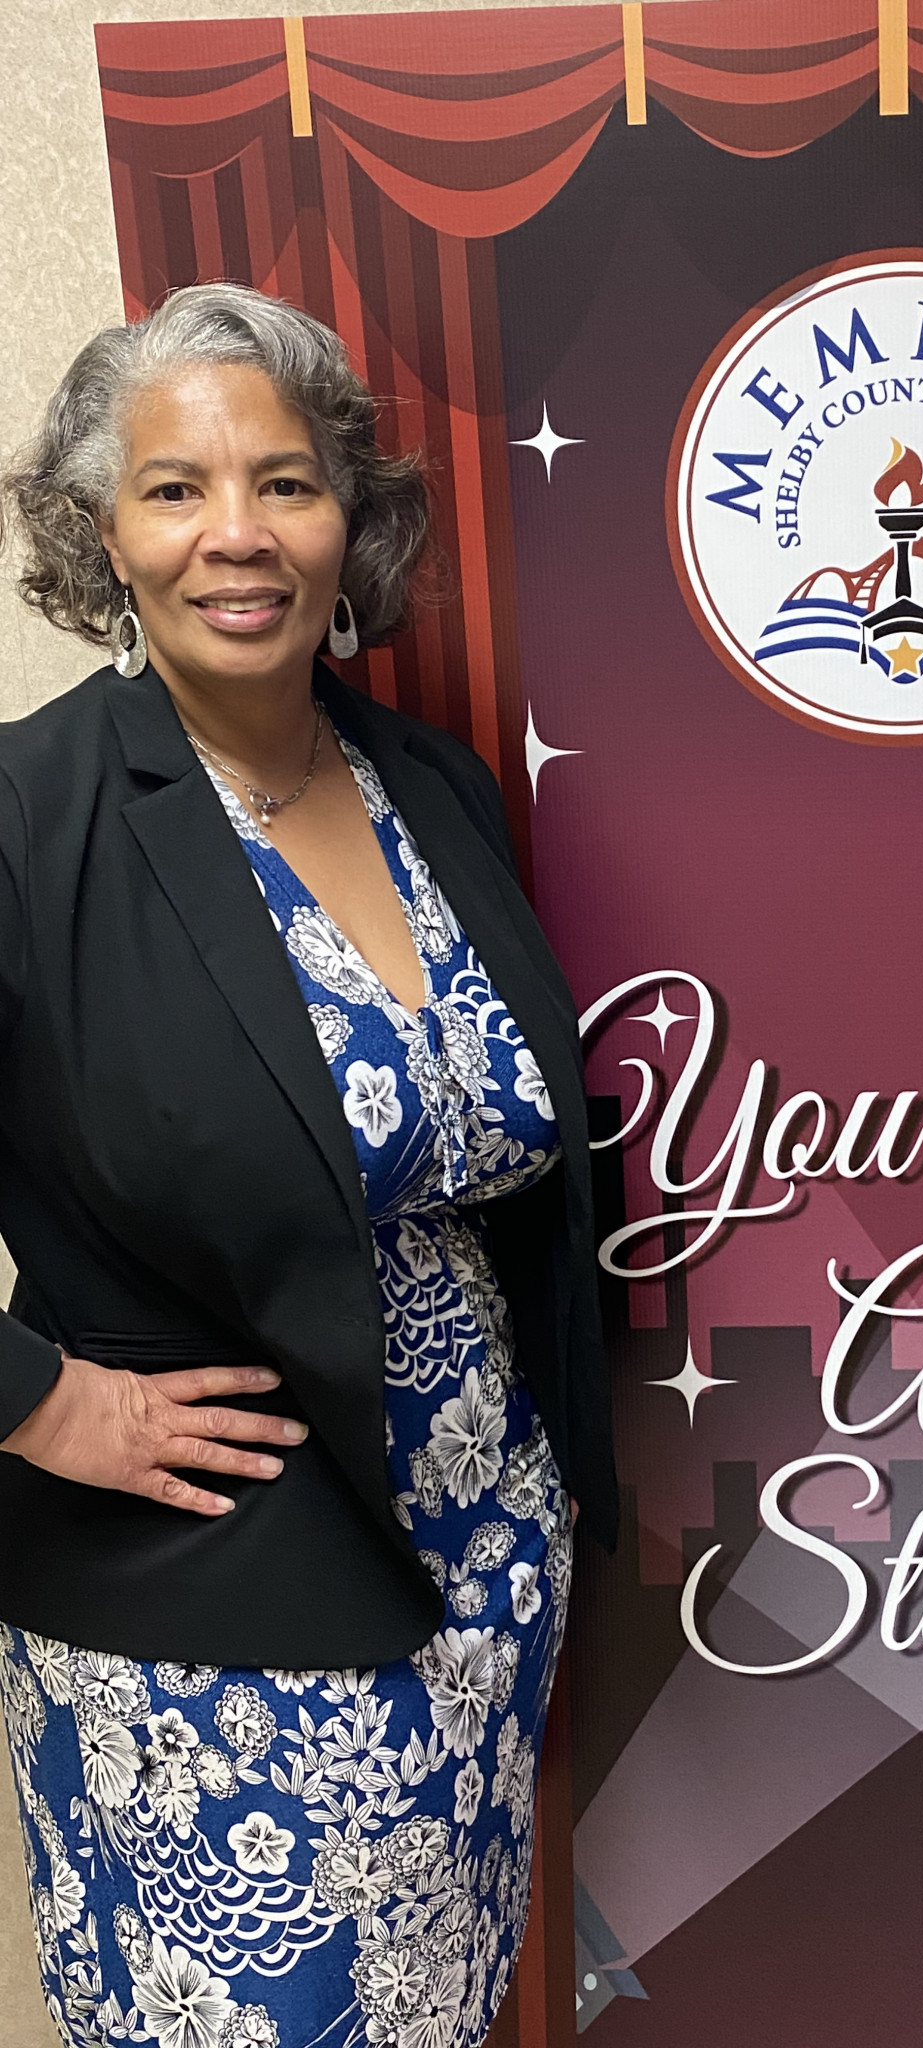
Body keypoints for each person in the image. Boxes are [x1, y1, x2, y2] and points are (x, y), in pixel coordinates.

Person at [0, 282, 616, 2048]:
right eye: (174, 489)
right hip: (212, 1630)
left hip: (484, 1576)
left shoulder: (435, 787)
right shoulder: (30, 818)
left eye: (285, 481)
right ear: (99, 533)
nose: (238, 535)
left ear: (351, 520)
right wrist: (36, 1401)